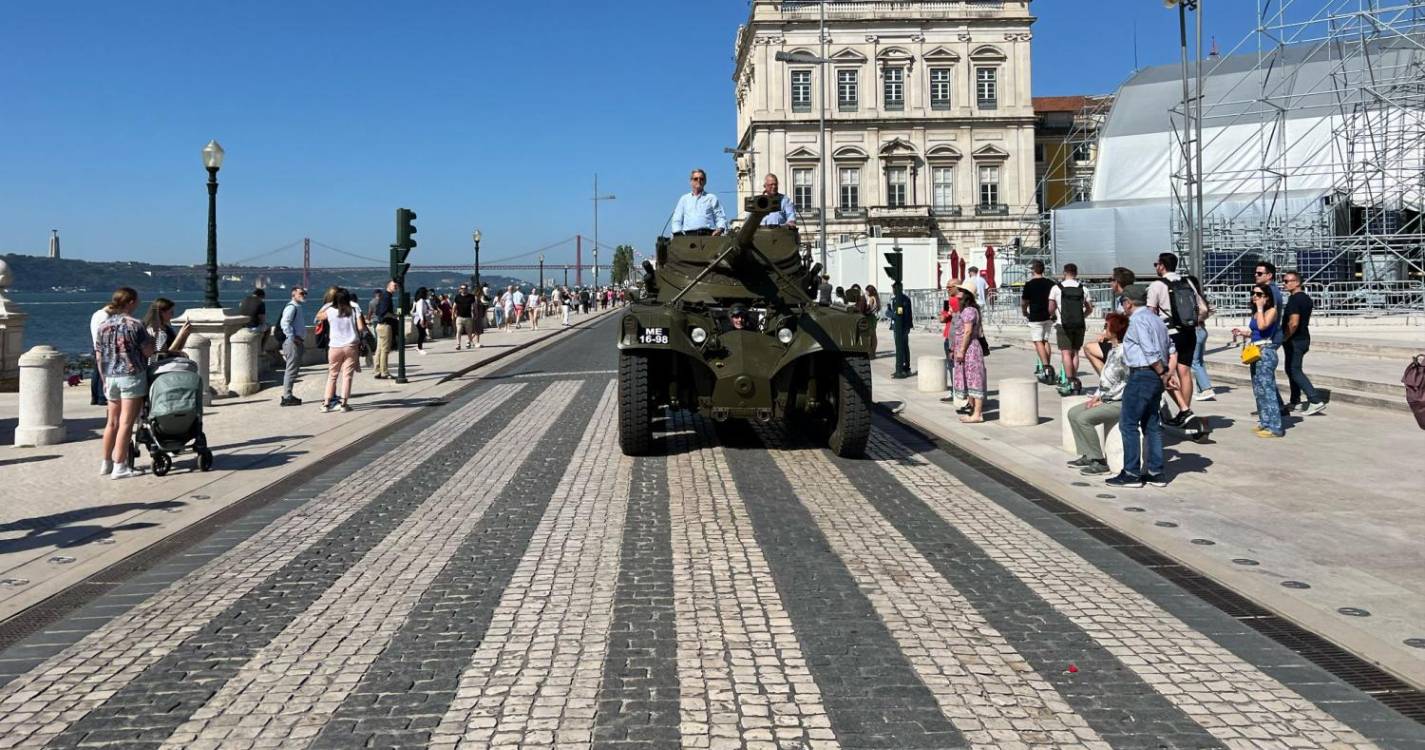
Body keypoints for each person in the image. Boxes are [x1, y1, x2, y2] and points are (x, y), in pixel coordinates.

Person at [1110, 284, 1176, 488]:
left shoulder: (1138, 321)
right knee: (1151, 423)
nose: (1122, 306)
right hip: (1155, 375)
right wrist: (1165, 372)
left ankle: (1131, 473)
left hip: (1142, 374)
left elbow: (1149, 350)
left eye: (1122, 302)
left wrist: (1161, 372)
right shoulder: (1156, 319)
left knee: (1128, 424)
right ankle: (1156, 472)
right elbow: (1170, 347)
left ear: (1128, 303)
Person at [95, 287, 155, 479]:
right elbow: (148, 352)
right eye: (136, 300)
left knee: (111, 422)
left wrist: (104, 379)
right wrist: (151, 342)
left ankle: (106, 462)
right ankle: (120, 466)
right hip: (131, 376)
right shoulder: (135, 325)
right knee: (126, 423)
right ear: (130, 302)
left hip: (110, 376)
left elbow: (99, 355)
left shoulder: (103, 325)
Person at [1147, 252, 1210, 425]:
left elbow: (1151, 313)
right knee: (1185, 372)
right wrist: (1194, 322)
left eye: (1156, 264)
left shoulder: (1157, 285)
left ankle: (1183, 410)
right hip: (1189, 332)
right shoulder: (1188, 282)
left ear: (1162, 266)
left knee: (1166, 373)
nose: (1156, 267)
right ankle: (1185, 413)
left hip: (1169, 334)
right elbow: (1203, 309)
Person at [1067, 313, 1131, 476]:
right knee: (1073, 413)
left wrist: (1103, 399)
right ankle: (1088, 454)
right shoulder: (1113, 351)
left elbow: (1122, 383)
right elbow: (1106, 379)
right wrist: (1097, 395)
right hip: (1108, 398)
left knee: (1084, 419)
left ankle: (1099, 461)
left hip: (1119, 401)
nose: (1103, 330)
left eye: (1106, 327)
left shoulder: (1124, 353)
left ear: (1114, 330)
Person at [1233, 282, 1286, 438]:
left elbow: (1263, 327)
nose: (1255, 297)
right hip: (1256, 351)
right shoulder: (1257, 313)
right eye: (1253, 294)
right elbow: (1256, 332)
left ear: (1267, 297)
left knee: (1267, 390)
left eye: (1259, 294)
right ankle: (1265, 422)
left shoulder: (1271, 311)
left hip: (1266, 352)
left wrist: (1261, 308)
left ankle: (1275, 427)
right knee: (1259, 390)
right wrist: (1243, 332)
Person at [1282, 271, 1325, 416]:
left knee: (1294, 370)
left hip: (1295, 340)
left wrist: (1285, 337)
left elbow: (1294, 323)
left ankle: (1315, 400)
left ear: (1297, 282)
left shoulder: (1295, 300)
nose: (1285, 284)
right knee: (1290, 369)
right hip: (1302, 338)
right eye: (1284, 281)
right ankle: (1295, 401)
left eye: (1288, 281)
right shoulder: (1305, 298)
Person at [317, 287, 367, 412]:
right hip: (351, 346)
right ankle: (344, 404)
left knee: (332, 375)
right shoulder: (354, 310)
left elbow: (318, 316)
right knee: (347, 376)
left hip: (335, 346)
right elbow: (361, 327)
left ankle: (326, 404)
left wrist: (328, 304)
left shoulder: (330, 311)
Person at [1049, 263, 1093, 389]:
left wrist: (1053, 316)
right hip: (1079, 324)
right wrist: (1082, 316)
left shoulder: (1056, 288)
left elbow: (1050, 308)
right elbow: (1090, 309)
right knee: (1075, 353)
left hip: (1063, 324)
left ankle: (1069, 381)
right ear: (1076, 273)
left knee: (1066, 353)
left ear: (1064, 273)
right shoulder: (1083, 288)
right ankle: (1074, 379)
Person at [1085, 266, 1136, 374]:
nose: (1109, 283)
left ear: (1117, 282)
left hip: (1125, 345)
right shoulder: (1126, 298)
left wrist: (1107, 335)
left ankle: (1108, 379)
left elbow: (1122, 323)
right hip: (1125, 342)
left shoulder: (1125, 301)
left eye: (1111, 280)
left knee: (1088, 348)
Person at [950, 283, 987, 423]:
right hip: (969, 348)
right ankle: (973, 411)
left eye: (961, 290)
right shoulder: (969, 309)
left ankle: (977, 414)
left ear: (966, 294)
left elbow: (967, 332)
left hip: (970, 349)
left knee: (974, 379)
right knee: (970, 379)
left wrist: (961, 350)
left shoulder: (969, 311)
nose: (958, 292)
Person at [1020, 260, 1057, 382]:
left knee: (1038, 341)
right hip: (1049, 315)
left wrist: (1024, 311)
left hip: (1036, 315)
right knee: (1045, 340)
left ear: (1033, 270)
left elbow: (1024, 301)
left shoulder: (1029, 284)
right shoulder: (1051, 283)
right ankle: (1048, 367)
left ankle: (1046, 367)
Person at [670, 168, 727, 236]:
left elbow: (720, 217)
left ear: (705, 181)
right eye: (695, 179)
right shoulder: (684, 199)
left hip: (709, 235)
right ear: (691, 181)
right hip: (689, 237)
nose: (699, 181)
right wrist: (677, 233)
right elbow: (677, 219)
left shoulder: (712, 198)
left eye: (701, 179)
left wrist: (720, 229)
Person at [278, 287, 308, 406]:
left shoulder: (297, 307)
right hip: (292, 343)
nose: (303, 295)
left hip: (296, 342)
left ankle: (288, 395)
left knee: (292, 370)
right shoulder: (292, 307)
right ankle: (287, 397)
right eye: (301, 293)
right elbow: (284, 323)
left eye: (304, 294)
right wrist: (292, 337)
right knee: (291, 370)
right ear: (293, 294)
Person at [140, 297, 193, 364]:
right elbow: (164, 354)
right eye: (171, 312)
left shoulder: (167, 328)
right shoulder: (153, 331)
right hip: (159, 366)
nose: (172, 315)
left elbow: (177, 349)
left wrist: (185, 335)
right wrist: (180, 335)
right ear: (162, 313)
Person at [938, 277, 962, 403]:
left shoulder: (953, 300)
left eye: (949, 287)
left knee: (952, 365)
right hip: (953, 335)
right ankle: (957, 391)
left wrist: (945, 314)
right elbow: (944, 318)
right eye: (946, 287)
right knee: (954, 365)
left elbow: (943, 318)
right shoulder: (958, 300)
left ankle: (955, 392)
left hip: (952, 337)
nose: (947, 289)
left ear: (957, 287)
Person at [372, 282, 398, 379]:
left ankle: (377, 370)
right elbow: (384, 312)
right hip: (385, 326)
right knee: (385, 350)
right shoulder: (387, 297)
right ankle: (384, 372)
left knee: (379, 349)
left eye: (396, 286)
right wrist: (394, 316)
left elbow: (377, 311)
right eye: (394, 286)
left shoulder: (382, 296)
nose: (396, 287)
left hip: (379, 325)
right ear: (388, 286)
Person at [89, 303, 113, 406]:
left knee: (96, 372)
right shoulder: (105, 316)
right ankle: (101, 397)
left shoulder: (95, 314)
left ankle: (94, 397)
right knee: (103, 372)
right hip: (103, 346)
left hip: (95, 345)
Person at [889, 284, 914, 378]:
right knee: (900, 347)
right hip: (897, 327)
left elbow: (899, 314)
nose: (893, 290)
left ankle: (905, 368)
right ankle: (901, 367)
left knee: (902, 347)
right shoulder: (896, 299)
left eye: (894, 288)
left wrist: (889, 313)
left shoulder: (903, 299)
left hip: (902, 327)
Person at [453, 284, 478, 350]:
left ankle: (468, 342)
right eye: (462, 288)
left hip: (468, 317)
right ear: (460, 289)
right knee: (459, 330)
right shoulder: (457, 297)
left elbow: (474, 306)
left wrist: (476, 314)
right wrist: (453, 314)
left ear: (467, 289)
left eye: (465, 288)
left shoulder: (471, 297)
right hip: (459, 317)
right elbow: (454, 306)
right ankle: (458, 344)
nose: (464, 289)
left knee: (469, 332)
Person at [863, 284, 881, 358]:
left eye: (866, 291)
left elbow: (868, 309)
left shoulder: (871, 299)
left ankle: (871, 353)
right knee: (874, 336)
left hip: (870, 318)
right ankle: (873, 353)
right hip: (874, 318)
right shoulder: (876, 297)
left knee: (869, 337)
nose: (866, 292)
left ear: (869, 291)